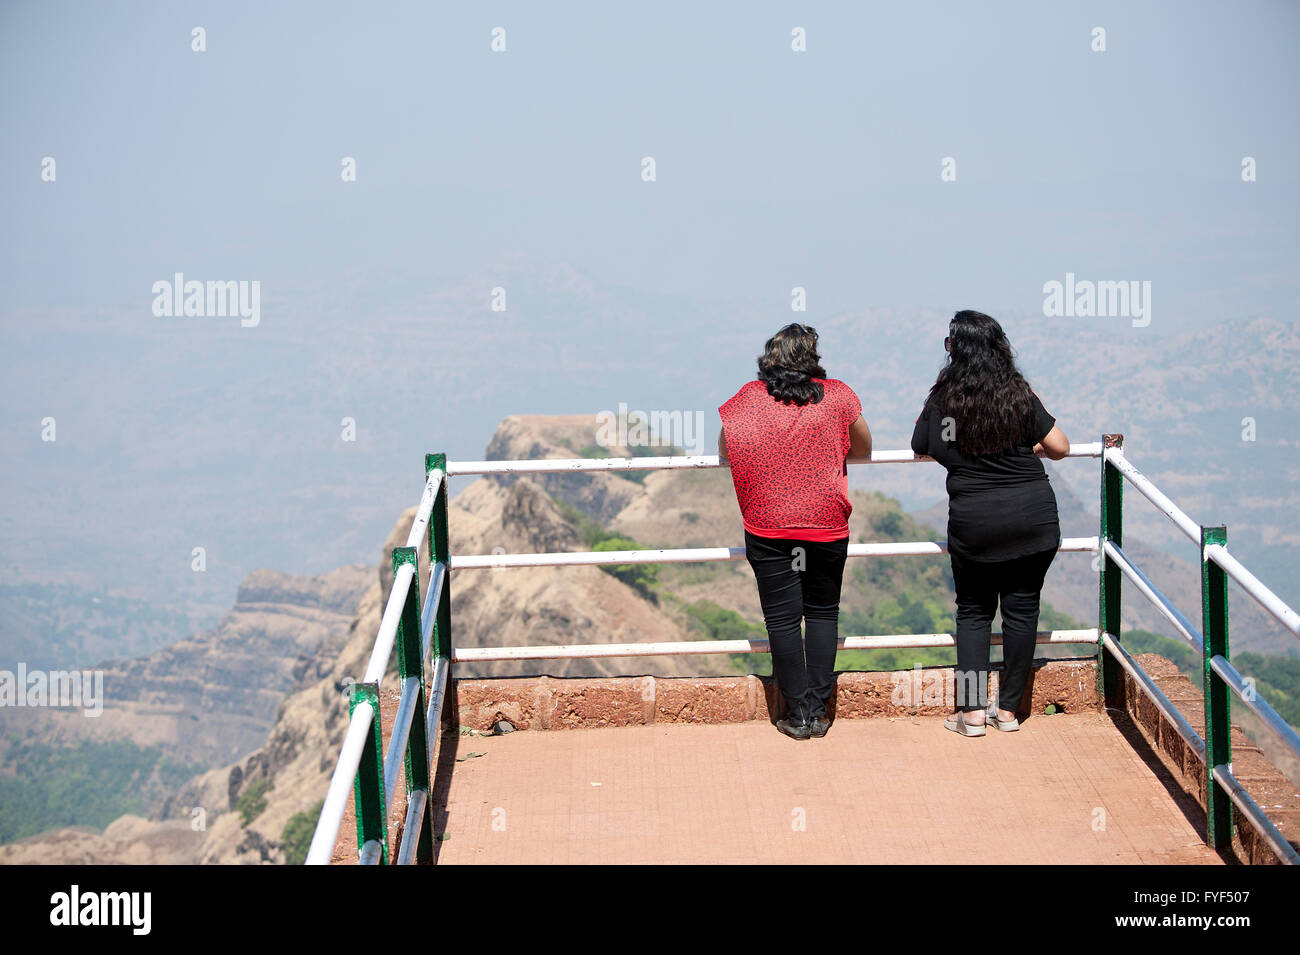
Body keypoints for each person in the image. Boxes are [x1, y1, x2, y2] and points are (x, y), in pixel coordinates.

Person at [910, 310, 1070, 737]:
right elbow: (1060, 447)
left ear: (954, 351)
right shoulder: (1018, 393)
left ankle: (973, 713)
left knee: (974, 612)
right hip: (1033, 518)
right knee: (1022, 611)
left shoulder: (944, 400)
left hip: (975, 523)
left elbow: (921, 444)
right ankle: (1010, 712)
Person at [718, 323, 872, 740]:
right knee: (822, 614)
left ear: (769, 358)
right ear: (813, 357)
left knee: (783, 622)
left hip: (767, 525)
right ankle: (819, 713)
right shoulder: (837, 395)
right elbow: (864, 448)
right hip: (825, 524)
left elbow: (726, 447)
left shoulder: (747, 399)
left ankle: (797, 713)